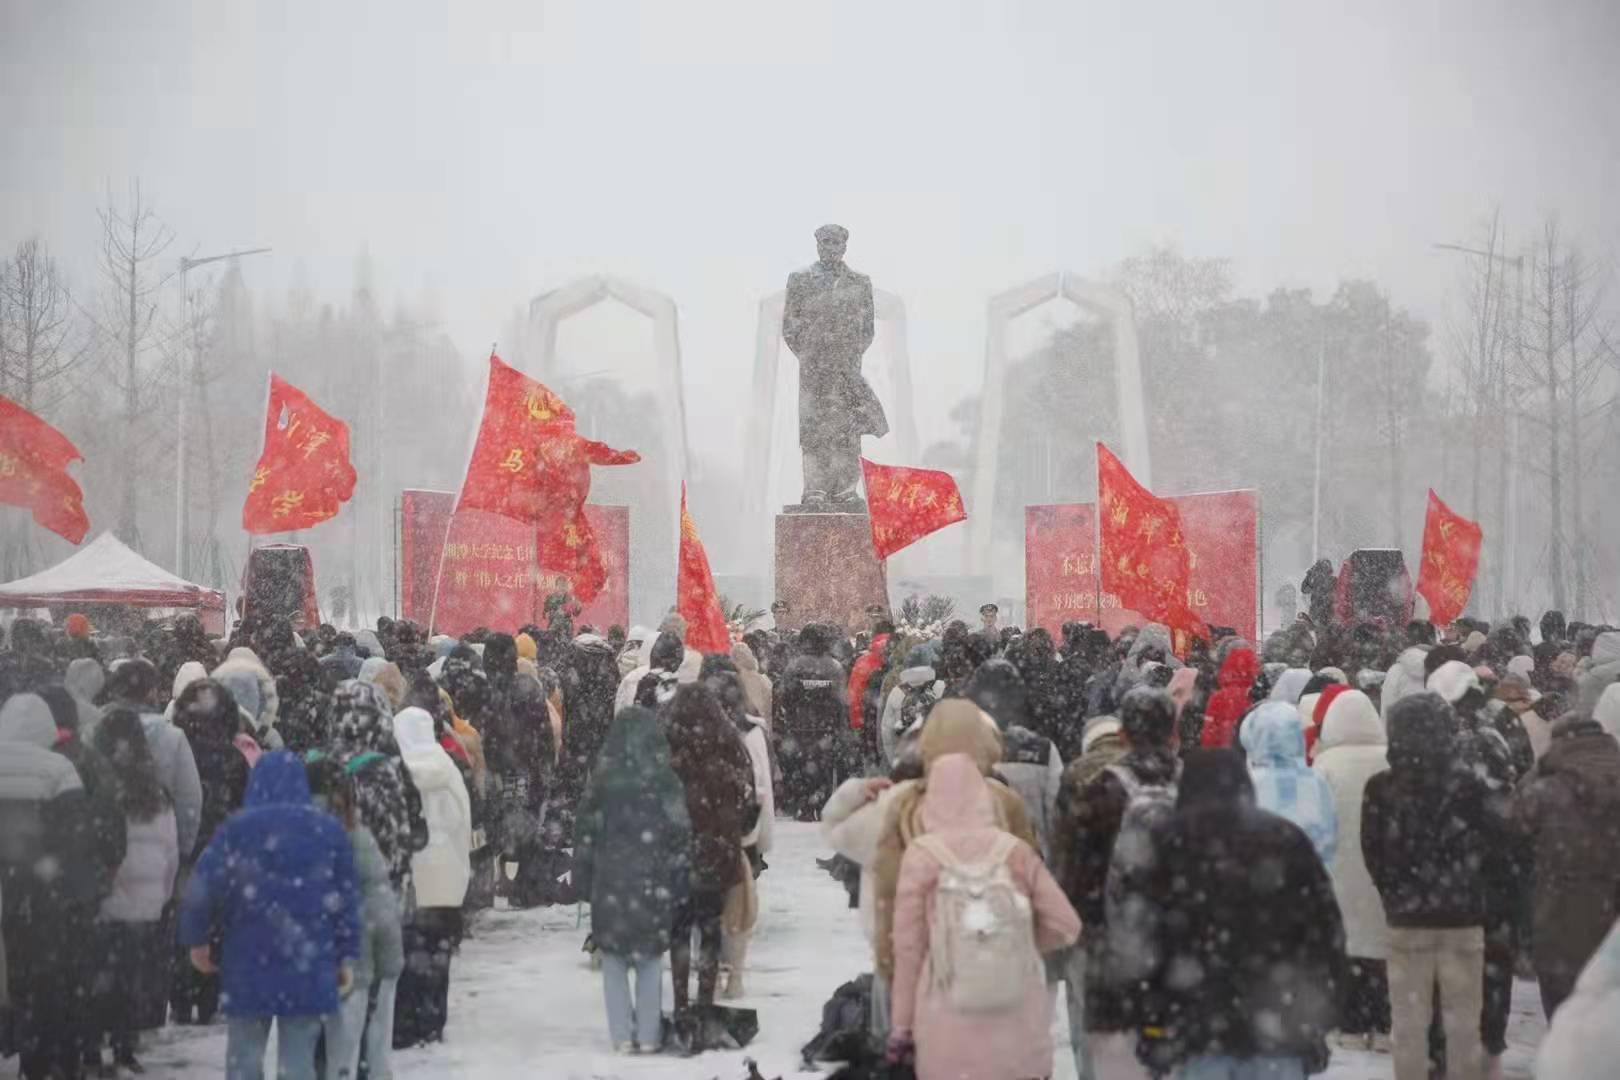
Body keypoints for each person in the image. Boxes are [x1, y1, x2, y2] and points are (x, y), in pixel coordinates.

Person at [887, 753, 1081, 1080]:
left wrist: (902, 1029)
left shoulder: (921, 857)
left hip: (945, 1036)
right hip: (1018, 1034)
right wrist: (1015, 939)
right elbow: (1067, 925)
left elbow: (909, 953)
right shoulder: (1015, 851)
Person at [180, 750, 360, 1080]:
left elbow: (201, 889)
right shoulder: (328, 832)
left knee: (244, 1057)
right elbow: (345, 900)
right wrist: (346, 953)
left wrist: (197, 941)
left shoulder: (235, 832)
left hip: (248, 960)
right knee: (297, 1062)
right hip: (307, 962)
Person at [1362, 693, 1499, 1080]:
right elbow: (1491, 849)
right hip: (1462, 918)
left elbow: (1373, 853)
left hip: (1407, 920)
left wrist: (1395, 893)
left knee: (1408, 1027)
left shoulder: (1381, 788)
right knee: (1463, 1027)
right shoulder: (1470, 786)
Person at [1052, 686, 1181, 1079]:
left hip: (1114, 949)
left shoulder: (1099, 789)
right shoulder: (1196, 786)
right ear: (1174, 733)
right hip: (1182, 947)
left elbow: (1073, 872)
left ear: (1123, 734)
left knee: (1114, 1059)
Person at [572, 706, 692, 1053]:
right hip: (653, 879)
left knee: (613, 959)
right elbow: (680, 833)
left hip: (610, 880)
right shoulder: (665, 779)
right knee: (650, 959)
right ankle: (650, 1035)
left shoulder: (604, 780)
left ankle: (622, 1034)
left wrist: (583, 877)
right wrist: (680, 877)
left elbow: (586, 834)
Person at [0, 692, 97, 1080]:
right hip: (42, 899)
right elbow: (75, 839)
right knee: (44, 991)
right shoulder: (59, 769)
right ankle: (41, 1063)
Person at [1511, 713, 1620, 1019]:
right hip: (1614, 920)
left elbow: (1511, 828)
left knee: (1563, 1009)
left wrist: (1536, 772)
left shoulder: (1545, 788)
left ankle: (1566, 1059)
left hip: (1560, 915)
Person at [89, 709, 180, 1075]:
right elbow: (170, 847)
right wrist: (164, 891)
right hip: (145, 898)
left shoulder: (96, 783)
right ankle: (125, 1044)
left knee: (97, 971)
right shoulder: (154, 791)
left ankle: (92, 1041)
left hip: (103, 894)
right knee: (131, 972)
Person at [305, 757, 404, 1080]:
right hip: (351, 966)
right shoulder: (355, 836)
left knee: (301, 1054)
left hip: (298, 968)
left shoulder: (286, 833)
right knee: (343, 1054)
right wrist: (390, 959)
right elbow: (379, 905)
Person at [662, 684, 754, 1025]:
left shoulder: (668, 753)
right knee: (711, 927)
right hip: (716, 852)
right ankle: (705, 999)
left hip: (677, 852)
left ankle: (681, 1002)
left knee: (679, 929)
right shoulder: (729, 750)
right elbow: (747, 802)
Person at [1310, 688, 1392, 1049]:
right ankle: (1384, 1022)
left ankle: (1351, 1025)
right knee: (1381, 945)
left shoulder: (1327, 764)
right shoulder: (1389, 758)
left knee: (1348, 945)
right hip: (1380, 865)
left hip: (1340, 861)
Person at [391, 706, 473, 1049]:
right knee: (440, 955)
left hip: (414, 875)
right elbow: (463, 821)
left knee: (410, 954)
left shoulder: (395, 771)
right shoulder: (448, 769)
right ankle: (434, 1020)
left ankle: (407, 1023)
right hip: (448, 876)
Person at [104, 658, 204, 860]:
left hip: (105, 846)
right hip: (157, 846)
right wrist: (183, 848)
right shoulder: (171, 736)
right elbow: (189, 798)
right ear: (151, 692)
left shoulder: (96, 728)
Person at [967, 658, 1064, 860]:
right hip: (1032, 862)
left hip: (978, 866)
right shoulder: (1041, 750)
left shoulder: (962, 747)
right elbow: (1057, 814)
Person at [1239, 701, 1338, 864]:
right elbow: (1329, 839)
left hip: (1261, 878)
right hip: (1310, 878)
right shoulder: (1317, 782)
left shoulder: (1248, 784)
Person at [778, 623, 849, 820]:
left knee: (803, 767)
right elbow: (841, 701)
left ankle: (806, 807)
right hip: (827, 728)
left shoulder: (794, 666)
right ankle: (824, 805)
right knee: (825, 766)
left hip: (801, 727)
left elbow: (784, 697)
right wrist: (840, 727)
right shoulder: (835, 667)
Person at [1199, 646, 1259, 749]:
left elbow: (1209, 733)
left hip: (1223, 757)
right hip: (1250, 755)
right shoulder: (1255, 695)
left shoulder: (1218, 697)